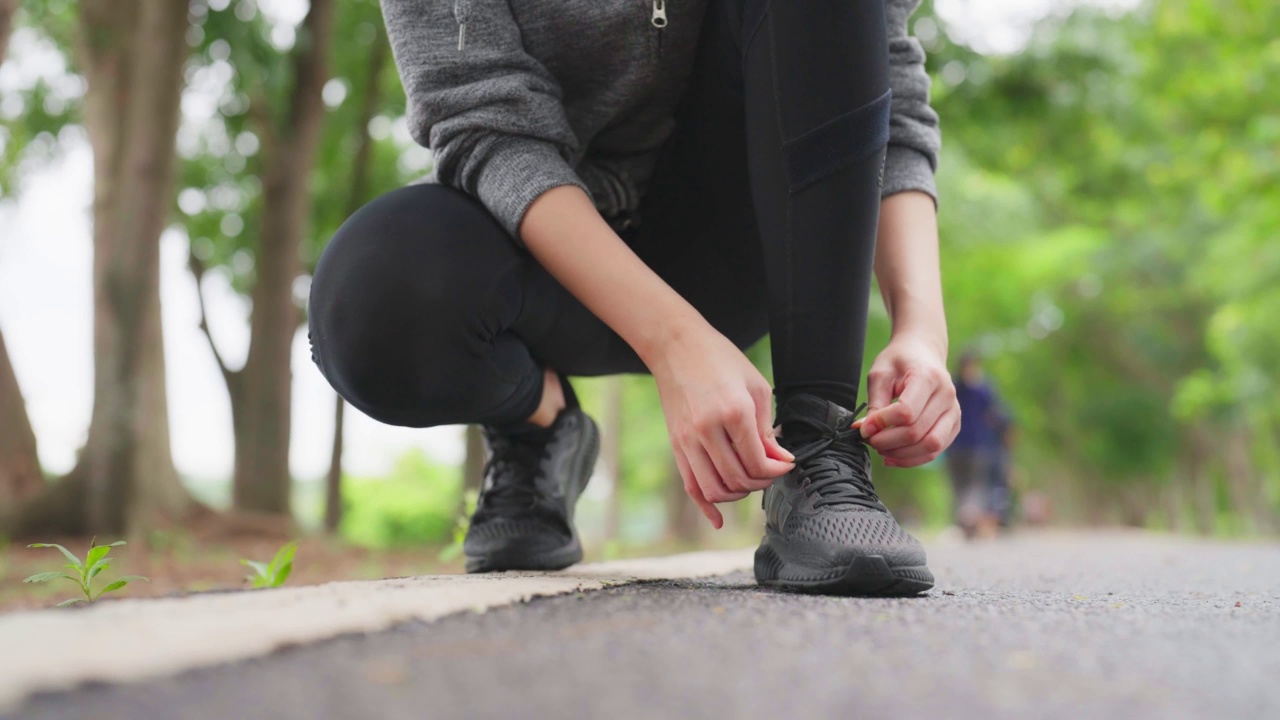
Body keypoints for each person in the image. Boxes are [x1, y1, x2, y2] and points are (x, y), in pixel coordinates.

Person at [309, 0, 958, 596]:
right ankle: (539, 422)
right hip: (543, 254)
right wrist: (671, 339)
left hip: (746, 244)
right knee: (370, 304)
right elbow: (483, 125)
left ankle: (819, 440)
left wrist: (921, 331)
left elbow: (881, 88)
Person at [946, 352, 1009, 537]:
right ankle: (968, 520)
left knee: (967, 485)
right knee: (970, 485)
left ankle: (966, 521)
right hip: (968, 444)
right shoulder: (982, 389)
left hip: (961, 444)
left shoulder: (952, 387)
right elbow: (995, 415)